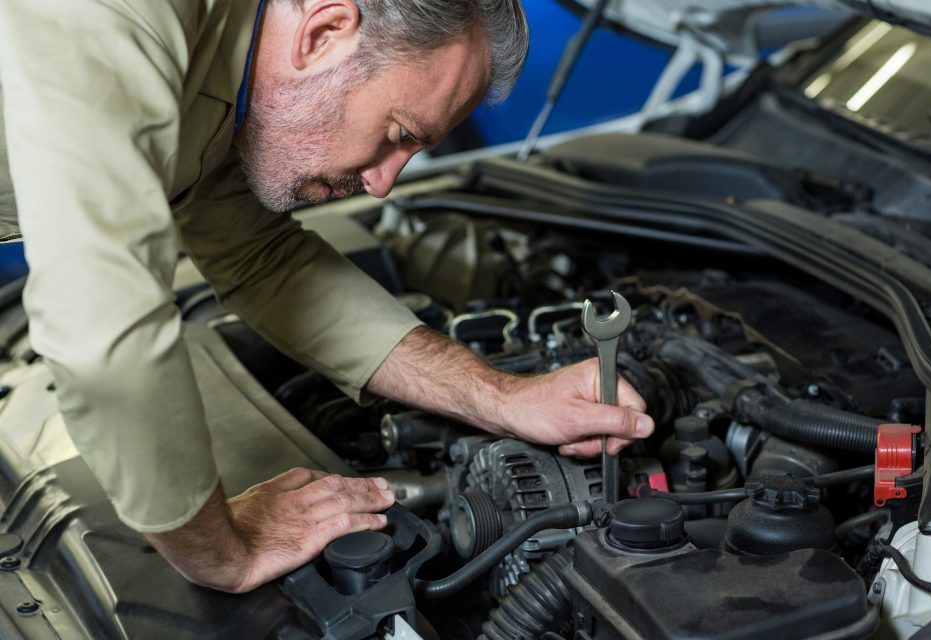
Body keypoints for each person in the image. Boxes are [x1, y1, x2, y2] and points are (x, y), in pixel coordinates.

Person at [0, 0, 654, 593]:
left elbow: (260, 256)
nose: (382, 186)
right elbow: (104, 335)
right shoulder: (114, 17)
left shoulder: (233, 59)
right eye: (399, 133)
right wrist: (223, 552)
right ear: (323, 33)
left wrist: (499, 397)